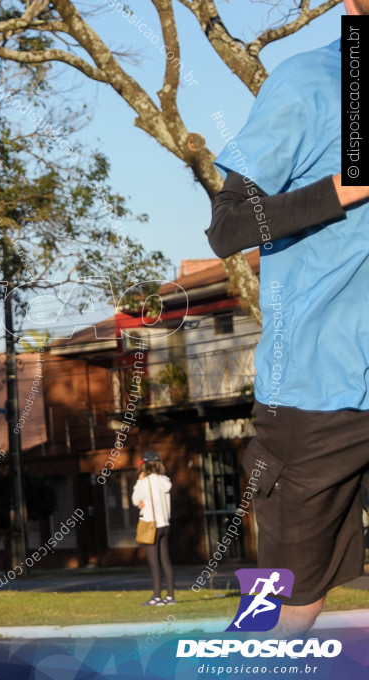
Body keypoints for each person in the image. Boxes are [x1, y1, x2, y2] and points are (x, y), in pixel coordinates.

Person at [206, 0, 369, 635]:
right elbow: (230, 226)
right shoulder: (310, 83)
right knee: (280, 612)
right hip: (316, 390)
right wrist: (343, 188)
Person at [132, 450, 173, 606]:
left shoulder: (145, 482)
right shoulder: (165, 480)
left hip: (151, 525)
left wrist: (138, 482)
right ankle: (170, 596)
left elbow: (136, 500)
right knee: (166, 561)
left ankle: (157, 597)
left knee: (154, 562)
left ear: (146, 465)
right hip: (165, 524)